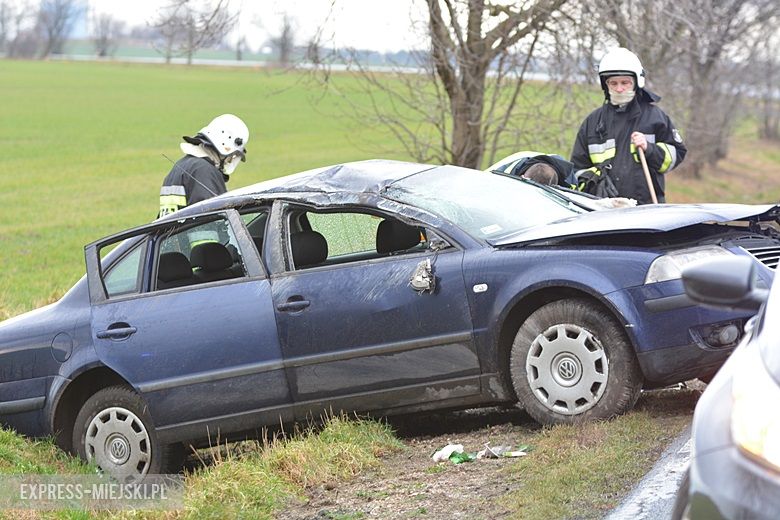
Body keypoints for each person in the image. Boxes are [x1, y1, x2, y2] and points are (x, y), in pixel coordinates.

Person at [571, 48, 687, 204]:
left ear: (636, 82)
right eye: (613, 83)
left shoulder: (655, 117)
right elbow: (577, 170)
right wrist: (594, 179)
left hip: (646, 207)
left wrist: (650, 149)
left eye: (625, 83)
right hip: (604, 209)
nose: (619, 89)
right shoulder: (592, 122)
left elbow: (677, 153)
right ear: (606, 85)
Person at [159, 114, 249, 217]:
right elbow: (209, 219)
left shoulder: (180, 167)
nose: (230, 160)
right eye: (232, 156)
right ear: (224, 146)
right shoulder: (204, 171)